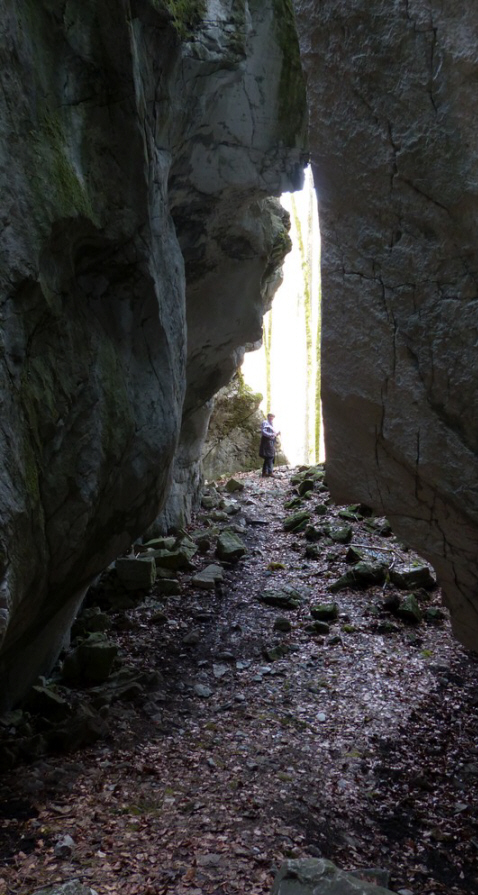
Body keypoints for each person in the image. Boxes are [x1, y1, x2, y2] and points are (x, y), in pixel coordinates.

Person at [259, 412, 281, 477]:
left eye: (273, 417)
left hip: (270, 441)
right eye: (270, 416)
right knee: (270, 456)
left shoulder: (271, 424)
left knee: (268, 457)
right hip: (267, 442)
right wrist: (271, 435)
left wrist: (277, 433)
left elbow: (272, 433)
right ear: (268, 416)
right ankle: (270, 472)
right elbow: (263, 432)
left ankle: (264, 472)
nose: (272, 418)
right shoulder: (265, 422)